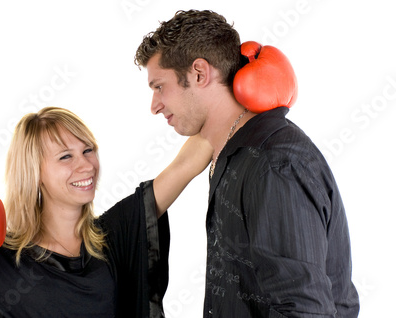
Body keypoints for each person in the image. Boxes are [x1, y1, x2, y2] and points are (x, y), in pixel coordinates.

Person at [135, 9, 360, 318]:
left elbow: (304, 311)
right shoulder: (234, 153)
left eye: (159, 86)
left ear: (199, 74)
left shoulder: (274, 164)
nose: (155, 106)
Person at [0, 106, 213, 317]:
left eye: (88, 150)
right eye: (65, 156)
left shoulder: (114, 237)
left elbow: (186, 165)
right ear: (34, 173)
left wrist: (230, 84)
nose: (85, 166)